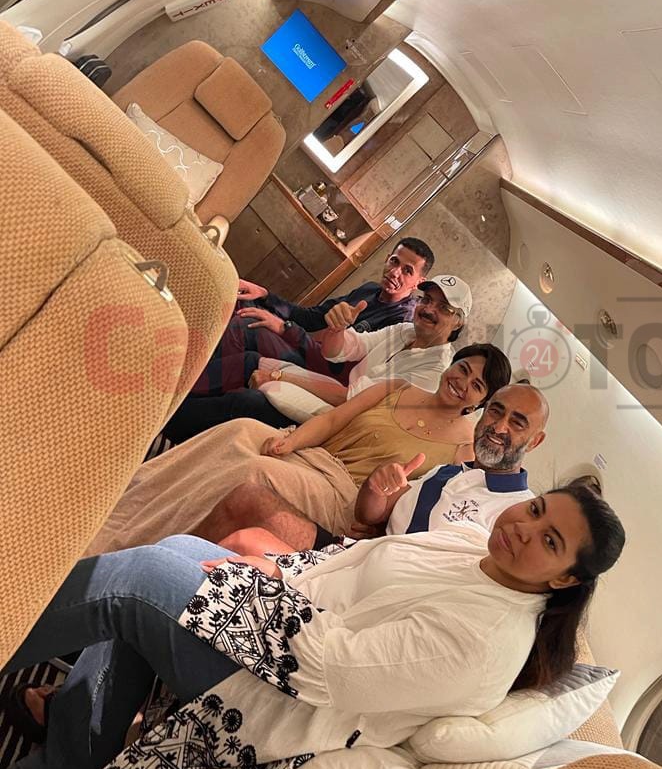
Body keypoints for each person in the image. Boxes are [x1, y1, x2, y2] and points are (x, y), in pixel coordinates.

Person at [5, 485, 626, 769]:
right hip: (285, 627)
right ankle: (72, 756)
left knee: (139, 580)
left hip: (284, 696)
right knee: (175, 553)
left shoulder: (484, 643)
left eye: (549, 541)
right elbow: (351, 558)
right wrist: (274, 566)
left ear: (565, 579)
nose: (524, 528)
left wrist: (246, 588)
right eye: (537, 509)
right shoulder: (471, 544)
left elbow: (332, 668)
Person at [87, 344, 512, 556]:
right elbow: (333, 420)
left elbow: (413, 507)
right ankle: (122, 503)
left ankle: (132, 547)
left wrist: (380, 510)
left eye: (476, 385)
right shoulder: (398, 387)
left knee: (252, 472)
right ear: (451, 364)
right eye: (463, 369)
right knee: (238, 430)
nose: (462, 383)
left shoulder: (461, 449)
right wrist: (291, 440)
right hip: (312, 454)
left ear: (480, 401)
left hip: (341, 496)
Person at [220, 381, 550, 556]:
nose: (499, 427)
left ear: (535, 442)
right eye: (496, 412)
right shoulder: (447, 474)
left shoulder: (516, 512)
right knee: (246, 491)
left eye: (517, 422)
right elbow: (368, 515)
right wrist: (375, 489)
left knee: (250, 506)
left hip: (367, 575)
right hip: (353, 553)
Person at [163, 274, 472, 444]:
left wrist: (281, 366)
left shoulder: (432, 371)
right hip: (330, 382)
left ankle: (167, 422)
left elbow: (352, 398)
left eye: (443, 308)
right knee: (247, 335)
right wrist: (337, 328)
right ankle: (168, 396)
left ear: (459, 321)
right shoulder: (401, 327)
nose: (429, 309)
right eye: (427, 300)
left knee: (249, 397)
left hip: (342, 417)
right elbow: (339, 345)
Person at [195, 237, 435, 397]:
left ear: (418, 282)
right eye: (394, 261)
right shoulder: (369, 290)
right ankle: (195, 370)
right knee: (243, 301)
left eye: (407, 271)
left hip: (323, 375)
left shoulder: (402, 324)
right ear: (387, 258)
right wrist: (266, 295)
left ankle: (188, 388)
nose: (395, 272)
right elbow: (312, 317)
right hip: (308, 349)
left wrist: (284, 328)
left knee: (248, 326)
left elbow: (337, 368)